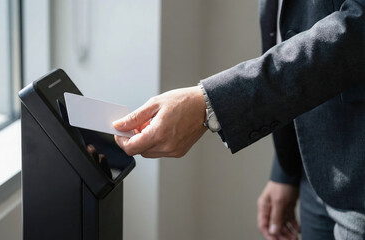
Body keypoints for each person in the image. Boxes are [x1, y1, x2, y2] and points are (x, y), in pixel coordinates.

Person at [113, 0, 365, 239]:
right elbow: (293, 25)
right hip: (312, 174)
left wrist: (209, 105)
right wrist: (285, 170)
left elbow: (357, 28)